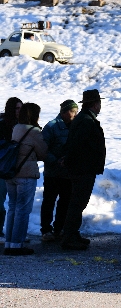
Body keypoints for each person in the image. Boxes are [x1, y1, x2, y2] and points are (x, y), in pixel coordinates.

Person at [61, 89, 106, 250]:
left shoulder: (84, 118)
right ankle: (69, 236)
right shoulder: (86, 121)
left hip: (82, 167)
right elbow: (78, 144)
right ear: (95, 104)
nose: (100, 106)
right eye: (99, 103)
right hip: (83, 168)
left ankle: (73, 233)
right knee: (78, 202)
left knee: (78, 202)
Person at [4, 103, 47, 256]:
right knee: (23, 210)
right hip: (26, 175)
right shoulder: (34, 131)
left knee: (12, 208)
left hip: (12, 174)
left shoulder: (16, 128)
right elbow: (43, 152)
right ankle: (17, 245)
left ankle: (9, 243)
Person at [40, 99, 80, 241]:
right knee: (49, 201)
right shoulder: (51, 126)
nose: (75, 114)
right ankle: (46, 230)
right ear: (64, 112)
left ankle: (59, 228)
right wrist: (56, 161)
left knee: (65, 201)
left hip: (68, 173)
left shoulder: (76, 127)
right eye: (72, 111)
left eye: (76, 111)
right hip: (52, 173)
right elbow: (43, 149)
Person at [0, 96, 23, 237]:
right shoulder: (2, 124)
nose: (19, 111)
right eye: (16, 108)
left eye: (21, 108)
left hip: (18, 167)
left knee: (16, 203)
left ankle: (14, 233)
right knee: (1, 200)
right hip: (3, 167)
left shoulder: (22, 124)